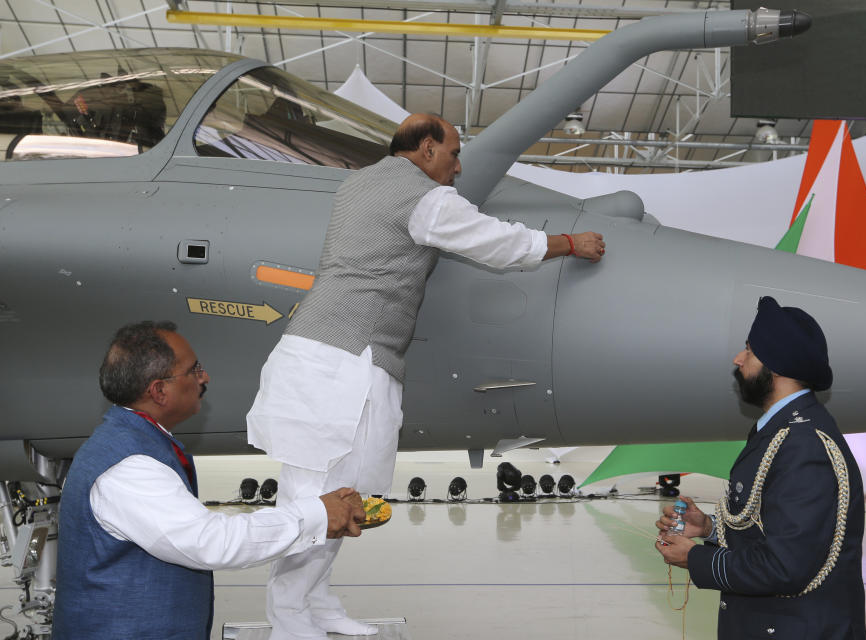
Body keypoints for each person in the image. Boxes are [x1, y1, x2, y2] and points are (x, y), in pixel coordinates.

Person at [246, 113, 606, 639]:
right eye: (454, 154)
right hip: (336, 361)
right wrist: (569, 244)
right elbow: (497, 243)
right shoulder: (422, 196)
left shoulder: (359, 182)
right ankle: (287, 621)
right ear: (427, 147)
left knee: (343, 496)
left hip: (348, 360)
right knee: (313, 496)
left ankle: (315, 603)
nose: (458, 168)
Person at [52, 321, 367, 640]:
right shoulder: (129, 467)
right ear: (159, 391)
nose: (205, 377)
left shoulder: (133, 442)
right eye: (194, 370)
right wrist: (316, 514)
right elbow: (212, 542)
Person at [654, 296, 866, 640]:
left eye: (750, 351)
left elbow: (786, 566)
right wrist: (707, 528)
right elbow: (775, 532)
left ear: (778, 364)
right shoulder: (783, 432)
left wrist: (696, 560)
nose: (738, 360)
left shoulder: (803, 445)